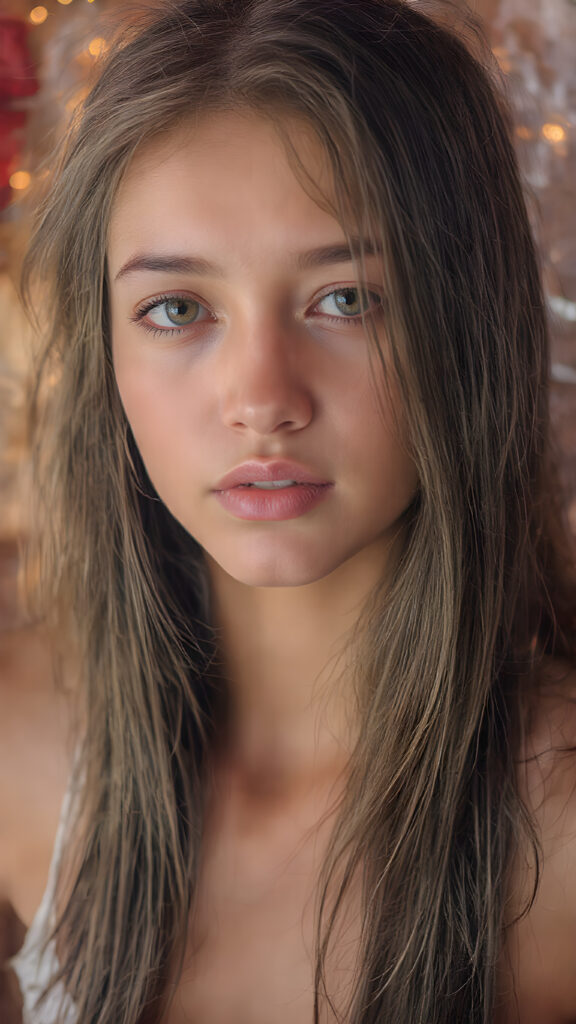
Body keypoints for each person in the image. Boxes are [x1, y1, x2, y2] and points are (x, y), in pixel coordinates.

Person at [2, 0, 576, 1020]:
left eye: (346, 298)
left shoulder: (560, 827)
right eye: (178, 309)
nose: (263, 397)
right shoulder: (19, 741)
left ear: (467, 322)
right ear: (108, 351)